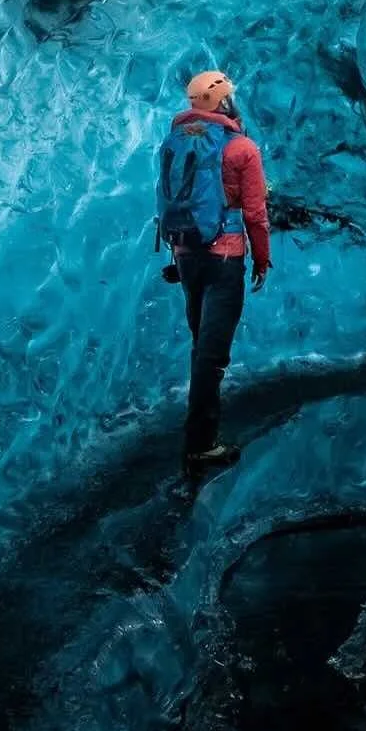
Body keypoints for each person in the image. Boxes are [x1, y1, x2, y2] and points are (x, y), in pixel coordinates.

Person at [154, 69, 271, 469]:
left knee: (200, 343)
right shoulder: (241, 149)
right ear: (223, 102)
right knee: (212, 352)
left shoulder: (175, 142)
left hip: (186, 256)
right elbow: (256, 213)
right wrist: (262, 258)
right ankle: (201, 442)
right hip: (224, 257)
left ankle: (199, 431)